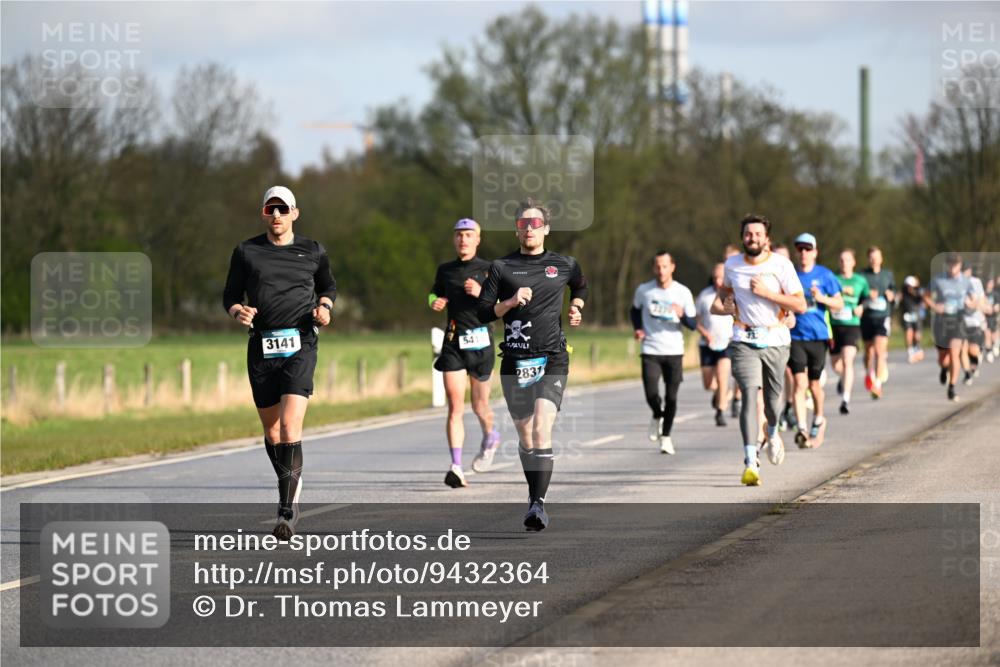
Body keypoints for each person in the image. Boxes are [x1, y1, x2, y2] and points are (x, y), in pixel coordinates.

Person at [223, 186, 337, 540]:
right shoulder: (246, 251)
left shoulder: (313, 250)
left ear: (294, 213)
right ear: (263, 213)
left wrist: (325, 309)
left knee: (289, 426)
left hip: (301, 343)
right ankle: (292, 479)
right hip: (262, 346)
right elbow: (230, 295)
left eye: (282, 209)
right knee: (272, 432)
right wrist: (238, 311)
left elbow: (328, 288)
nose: (276, 215)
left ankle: (286, 510)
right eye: (270, 209)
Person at [477, 199, 587, 530]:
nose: (529, 229)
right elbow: (483, 312)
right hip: (515, 360)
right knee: (526, 436)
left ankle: (538, 504)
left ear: (546, 229)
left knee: (541, 428)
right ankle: (534, 493)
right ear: (516, 230)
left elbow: (579, 285)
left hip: (552, 357)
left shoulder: (564, 264)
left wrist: (576, 307)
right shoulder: (501, 267)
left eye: (535, 224)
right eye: (523, 224)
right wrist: (510, 302)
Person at [712, 215, 806, 486]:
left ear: (766, 239)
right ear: (742, 237)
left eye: (757, 234)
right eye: (748, 234)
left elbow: (800, 305)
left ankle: (772, 432)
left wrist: (768, 294)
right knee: (749, 396)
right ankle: (750, 460)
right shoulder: (733, 265)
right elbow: (721, 298)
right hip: (743, 339)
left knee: (773, 404)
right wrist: (726, 306)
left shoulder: (781, 265)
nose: (752, 238)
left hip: (776, 340)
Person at [429, 218, 500, 488]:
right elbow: (433, 293)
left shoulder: (490, 269)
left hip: (481, 343)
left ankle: (491, 436)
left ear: (478, 239)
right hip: (454, 343)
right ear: (454, 239)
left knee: (479, 406)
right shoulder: (445, 270)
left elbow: (502, 304)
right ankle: (456, 467)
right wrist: (434, 301)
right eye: (459, 235)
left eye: (469, 235)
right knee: (455, 407)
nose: (463, 239)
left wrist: (482, 293)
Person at [631, 252, 697, 452]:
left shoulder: (683, 292)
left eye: (665, 266)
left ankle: (666, 437)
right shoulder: (644, 290)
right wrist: (638, 328)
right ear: (654, 268)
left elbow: (693, 324)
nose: (661, 271)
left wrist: (682, 314)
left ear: (672, 267)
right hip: (650, 349)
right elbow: (634, 310)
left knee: (671, 398)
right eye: (658, 267)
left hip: (674, 351)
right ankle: (656, 414)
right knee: (651, 394)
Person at [788, 234, 843, 448]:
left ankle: (818, 418)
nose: (803, 253)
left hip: (819, 336)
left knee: (814, 385)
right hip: (795, 336)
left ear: (815, 252)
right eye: (800, 249)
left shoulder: (825, 275)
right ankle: (802, 428)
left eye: (807, 249)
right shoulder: (790, 274)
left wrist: (821, 298)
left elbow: (839, 304)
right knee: (799, 383)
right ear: (796, 252)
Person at [925, 253, 975, 402]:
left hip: (958, 321)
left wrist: (970, 304)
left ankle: (952, 387)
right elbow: (926, 296)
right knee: (943, 358)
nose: (953, 268)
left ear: (960, 266)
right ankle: (944, 368)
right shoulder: (938, 279)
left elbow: (975, 300)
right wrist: (935, 306)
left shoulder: (966, 281)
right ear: (946, 265)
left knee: (954, 354)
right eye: (950, 265)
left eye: (955, 265)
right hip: (941, 322)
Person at [830, 248, 869, 415]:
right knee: (836, 365)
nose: (844, 263)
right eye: (841, 260)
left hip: (852, 325)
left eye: (847, 260)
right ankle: (842, 377)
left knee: (847, 361)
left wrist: (862, 307)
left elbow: (866, 298)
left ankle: (845, 399)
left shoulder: (860, 281)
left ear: (853, 262)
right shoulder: (832, 279)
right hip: (834, 325)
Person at [696, 263, 734, 427]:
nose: (718, 281)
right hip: (707, 344)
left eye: (721, 277)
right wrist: (705, 333)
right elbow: (696, 320)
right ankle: (722, 393)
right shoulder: (704, 295)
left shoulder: (733, 293)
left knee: (722, 375)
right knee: (708, 384)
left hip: (727, 342)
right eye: (716, 277)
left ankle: (720, 411)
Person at [860, 246, 896, 398]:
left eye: (877, 257)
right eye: (872, 257)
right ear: (868, 259)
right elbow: (858, 294)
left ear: (881, 258)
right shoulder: (862, 275)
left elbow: (894, 292)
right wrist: (867, 295)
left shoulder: (888, 275)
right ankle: (870, 373)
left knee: (880, 352)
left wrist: (891, 295)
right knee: (869, 352)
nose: (874, 260)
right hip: (867, 317)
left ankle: (877, 385)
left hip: (883, 316)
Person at [960, 266, 987, 385]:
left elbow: (981, 300)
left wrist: (973, 305)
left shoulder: (976, 282)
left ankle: (976, 360)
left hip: (975, 321)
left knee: (973, 350)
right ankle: (967, 375)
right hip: (960, 322)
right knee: (962, 349)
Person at [899, 276, 926, 363]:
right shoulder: (903, 293)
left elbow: (924, 300)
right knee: (908, 332)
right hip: (907, 314)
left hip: (917, 315)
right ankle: (910, 352)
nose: (909, 288)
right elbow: (898, 301)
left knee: (917, 334)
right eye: (908, 286)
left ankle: (917, 348)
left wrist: (915, 293)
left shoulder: (919, 292)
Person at [986, 277, 1000, 363]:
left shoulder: (995, 294)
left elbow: (998, 306)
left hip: (993, 317)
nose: (990, 285)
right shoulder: (983, 294)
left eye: (991, 283)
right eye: (989, 283)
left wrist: (995, 308)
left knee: (993, 336)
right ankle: (989, 352)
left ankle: (995, 345)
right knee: (987, 334)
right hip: (985, 318)